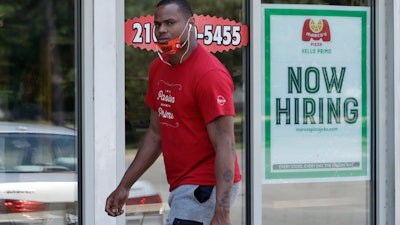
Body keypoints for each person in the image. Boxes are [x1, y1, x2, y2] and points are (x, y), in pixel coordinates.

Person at [105, 0, 242, 224]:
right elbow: (155, 134)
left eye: (170, 23)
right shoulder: (158, 68)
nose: (162, 30)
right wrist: (124, 186)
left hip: (205, 187)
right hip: (181, 184)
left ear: (191, 23)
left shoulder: (209, 74)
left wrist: (222, 211)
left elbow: (225, 143)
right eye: (157, 24)